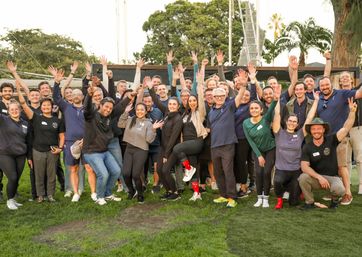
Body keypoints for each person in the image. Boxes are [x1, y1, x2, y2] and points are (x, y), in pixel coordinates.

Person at [299, 98, 357, 210]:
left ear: (323, 130)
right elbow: (304, 166)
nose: (316, 131)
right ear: (310, 131)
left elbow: (346, 128)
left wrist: (352, 112)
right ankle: (309, 202)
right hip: (316, 178)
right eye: (314, 129)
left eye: (319, 129)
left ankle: (334, 200)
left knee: (340, 190)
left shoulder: (331, 140)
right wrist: (319, 177)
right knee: (303, 177)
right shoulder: (308, 146)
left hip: (332, 178)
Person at [50, 67, 97, 202]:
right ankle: (76, 192)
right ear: (71, 97)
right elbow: (56, 97)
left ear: (82, 97)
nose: (76, 96)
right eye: (74, 94)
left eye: (79, 94)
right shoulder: (66, 107)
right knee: (73, 168)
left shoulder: (88, 108)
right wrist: (57, 82)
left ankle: (93, 192)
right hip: (70, 142)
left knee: (89, 168)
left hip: (86, 142)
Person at [17, 81, 65, 203]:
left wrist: (60, 148)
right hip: (37, 150)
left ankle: (50, 195)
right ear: (41, 107)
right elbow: (23, 104)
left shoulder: (57, 121)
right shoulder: (36, 117)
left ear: (51, 107)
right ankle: (40, 195)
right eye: (44, 106)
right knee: (39, 174)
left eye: (48, 105)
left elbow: (62, 135)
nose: (46, 107)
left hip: (52, 151)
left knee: (51, 174)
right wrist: (18, 90)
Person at [317, 75, 362, 205]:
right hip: (325, 139)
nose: (325, 87)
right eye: (322, 86)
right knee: (331, 167)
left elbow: (359, 93)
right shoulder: (319, 99)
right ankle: (336, 191)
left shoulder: (342, 94)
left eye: (327, 85)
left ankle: (348, 193)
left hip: (340, 136)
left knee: (342, 165)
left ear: (331, 84)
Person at [272, 91, 319, 209]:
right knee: (277, 182)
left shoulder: (300, 134)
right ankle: (280, 198)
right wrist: (277, 100)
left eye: (294, 121)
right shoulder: (279, 132)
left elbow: (309, 117)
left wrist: (317, 100)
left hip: (295, 171)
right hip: (281, 170)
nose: (292, 123)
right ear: (286, 122)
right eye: (290, 121)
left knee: (294, 203)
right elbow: (277, 114)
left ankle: (293, 192)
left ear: (297, 124)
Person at [82, 84, 121, 206]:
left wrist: (130, 97)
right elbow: (87, 108)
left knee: (116, 171)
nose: (108, 110)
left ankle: (108, 194)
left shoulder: (108, 118)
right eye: (106, 107)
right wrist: (89, 95)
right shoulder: (91, 115)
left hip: (104, 151)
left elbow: (120, 108)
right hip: (92, 152)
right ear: (100, 105)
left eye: (110, 108)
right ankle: (99, 197)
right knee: (103, 174)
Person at [208, 83, 246, 208]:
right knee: (218, 172)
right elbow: (211, 128)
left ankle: (232, 197)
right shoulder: (211, 111)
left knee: (228, 171)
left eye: (222, 95)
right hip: (214, 146)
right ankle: (223, 195)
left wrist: (244, 85)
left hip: (228, 145)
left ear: (225, 96)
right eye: (217, 96)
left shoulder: (229, 106)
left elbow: (239, 96)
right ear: (213, 97)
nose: (219, 98)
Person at [118, 103, 163, 203]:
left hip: (141, 150)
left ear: (146, 111)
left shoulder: (148, 123)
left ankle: (140, 193)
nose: (139, 111)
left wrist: (154, 129)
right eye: (138, 109)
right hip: (129, 149)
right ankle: (131, 191)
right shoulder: (130, 120)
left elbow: (149, 139)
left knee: (135, 175)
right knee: (125, 173)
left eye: (142, 110)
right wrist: (125, 112)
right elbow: (120, 124)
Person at [148, 78, 183, 201]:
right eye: (170, 104)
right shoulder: (167, 113)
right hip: (163, 147)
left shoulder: (178, 118)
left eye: (174, 104)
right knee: (159, 169)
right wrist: (150, 88)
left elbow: (173, 138)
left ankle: (175, 192)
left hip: (172, 148)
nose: (172, 106)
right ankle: (168, 190)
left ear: (178, 107)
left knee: (166, 169)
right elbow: (157, 101)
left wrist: (166, 155)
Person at [243, 98, 277, 208]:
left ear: (261, 110)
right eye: (252, 108)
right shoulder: (246, 123)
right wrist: (259, 155)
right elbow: (250, 141)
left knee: (267, 172)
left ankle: (266, 197)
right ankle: (259, 197)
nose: (254, 110)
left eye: (256, 108)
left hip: (271, 149)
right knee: (258, 173)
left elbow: (272, 107)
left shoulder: (266, 119)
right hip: (258, 151)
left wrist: (275, 99)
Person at [0, 97, 29, 210]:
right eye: (11, 109)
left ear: (20, 110)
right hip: (5, 154)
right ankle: (9, 201)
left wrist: (29, 156)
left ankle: (12, 198)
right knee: (12, 177)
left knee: (16, 178)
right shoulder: (3, 120)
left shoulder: (25, 123)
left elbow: (28, 140)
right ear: (8, 110)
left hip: (20, 154)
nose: (14, 111)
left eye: (16, 109)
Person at [0, 82, 15, 201]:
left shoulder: (14, 105)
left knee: (13, 170)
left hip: (13, 142)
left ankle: (14, 191)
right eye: (5, 91)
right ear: (1, 93)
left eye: (9, 91)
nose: (7, 93)